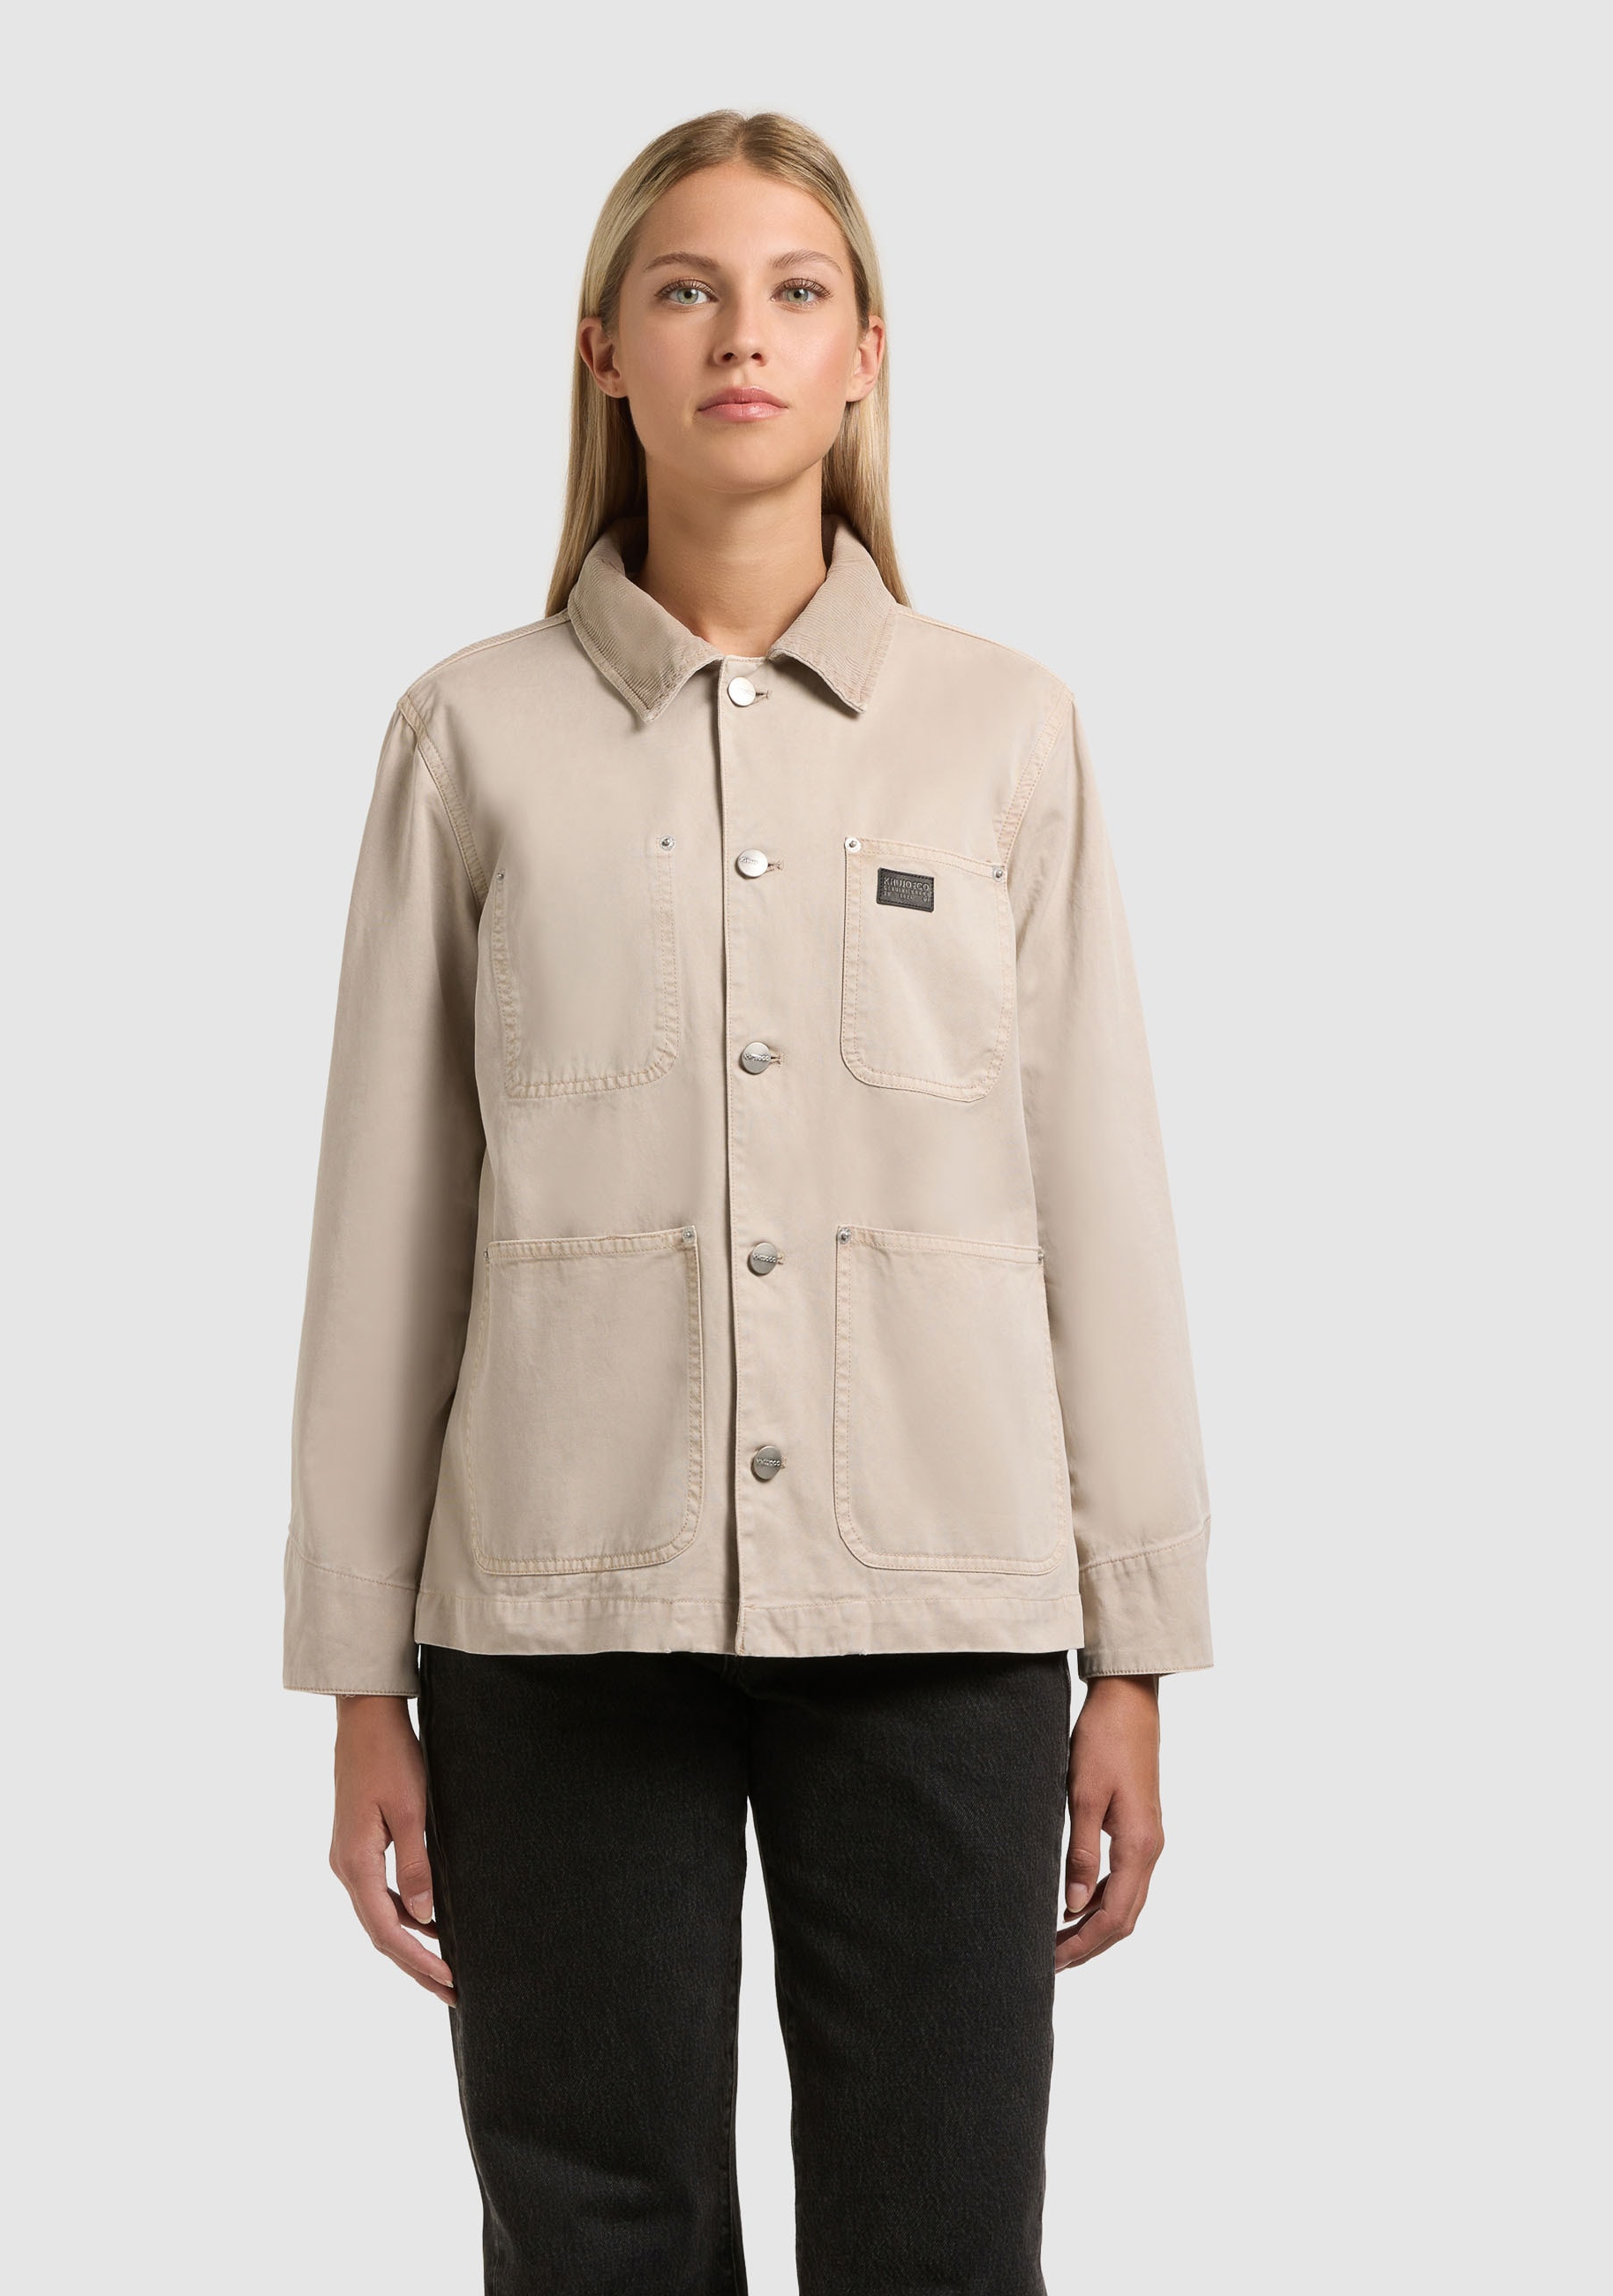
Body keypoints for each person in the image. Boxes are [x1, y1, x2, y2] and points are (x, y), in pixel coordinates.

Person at [283, 106, 1211, 2296]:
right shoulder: (470, 736)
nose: (741, 337)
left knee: (942, 2237)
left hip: (943, 1609)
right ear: (602, 349)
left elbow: (1098, 1188)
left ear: (867, 353)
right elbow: (389, 1223)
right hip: (556, 1610)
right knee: (591, 2235)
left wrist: (1139, 1651)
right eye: (687, 289)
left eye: (796, 293)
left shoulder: (1005, 734)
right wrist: (357, 1682)